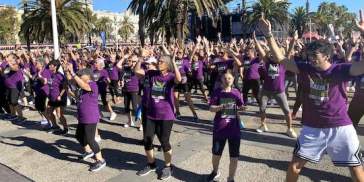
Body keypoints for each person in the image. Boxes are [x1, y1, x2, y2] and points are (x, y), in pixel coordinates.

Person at [257, 15, 364, 182]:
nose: (310, 58)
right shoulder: (305, 68)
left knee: (356, 169)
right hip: (312, 128)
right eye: (309, 55)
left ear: (327, 56)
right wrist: (268, 34)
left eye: (315, 55)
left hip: (341, 127)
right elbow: (281, 59)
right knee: (294, 167)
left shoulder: (341, 70)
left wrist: (363, 32)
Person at [134, 50, 181, 180]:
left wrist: (174, 62)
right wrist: (140, 58)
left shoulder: (171, 76)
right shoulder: (151, 73)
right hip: (150, 114)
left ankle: (168, 166)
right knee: (147, 140)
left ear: (167, 64)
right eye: (158, 61)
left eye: (161, 61)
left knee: (164, 142)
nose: (158, 63)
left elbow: (179, 79)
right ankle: (151, 164)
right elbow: (136, 72)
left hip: (166, 115)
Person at [253, 31, 297, 138]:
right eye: (271, 53)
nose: (273, 55)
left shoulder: (283, 63)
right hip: (266, 90)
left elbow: (290, 50)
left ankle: (289, 129)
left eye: (275, 53)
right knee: (262, 108)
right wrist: (255, 39)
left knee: (286, 111)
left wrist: (294, 39)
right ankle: (263, 125)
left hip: (279, 91)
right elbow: (260, 49)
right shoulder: (267, 61)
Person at [64, 65, 106, 172]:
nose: (79, 76)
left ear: (87, 76)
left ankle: (100, 160)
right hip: (83, 116)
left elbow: (84, 86)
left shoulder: (92, 85)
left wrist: (73, 73)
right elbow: (79, 98)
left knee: (91, 140)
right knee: (78, 136)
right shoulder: (82, 88)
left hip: (90, 116)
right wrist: (70, 93)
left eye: (81, 75)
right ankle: (88, 152)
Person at [208, 70, 245, 182]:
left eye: (229, 78)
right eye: (225, 78)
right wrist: (220, 107)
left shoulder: (236, 92)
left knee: (234, 157)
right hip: (220, 129)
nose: (227, 80)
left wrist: (241, 109)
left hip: (234, 130)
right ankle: (215, 172)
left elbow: (240, 107)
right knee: (216, 155)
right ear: (221, 79)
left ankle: (231, 178)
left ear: (233, 79)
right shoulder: (217, 92)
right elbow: (211, 108)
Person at [46, 60, 69, 134]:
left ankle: (66, 129)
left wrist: (60, 95)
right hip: (51, 97)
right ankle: (55, 126)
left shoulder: (60, 75)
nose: (49, 66)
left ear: (55, 67)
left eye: (51, 65)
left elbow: (65, 86)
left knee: (59, 114)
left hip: (59, 98)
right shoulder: (51, 74)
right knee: (49, 112)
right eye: (49, 65)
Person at [3, 54, 25, 121]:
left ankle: (21, 117)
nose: (7, 58)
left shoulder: (16, 64)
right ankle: (13, 115)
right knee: (10, 101)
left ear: (13, 58)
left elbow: (14, 69)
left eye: (8, 57)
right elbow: (4, 72)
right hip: (8, 86)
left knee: (14, 102)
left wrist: (9, 63)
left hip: (14, 86)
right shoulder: (6, 65)